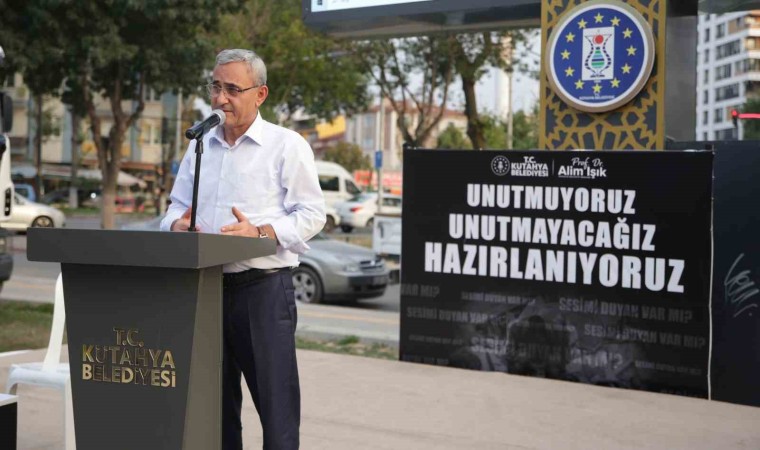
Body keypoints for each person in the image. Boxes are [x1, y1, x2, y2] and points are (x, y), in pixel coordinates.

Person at [161, 48, 326, 449]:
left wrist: (261, 231)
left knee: (276, 411)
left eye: (232, 89)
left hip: (262, 292)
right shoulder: (200, 145)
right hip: (205, 290)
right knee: (214, 411)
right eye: (216, 87)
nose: (220, 98)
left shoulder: (286, 145)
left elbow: (313, 214)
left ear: (261, 94)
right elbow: (175, 207)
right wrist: (177, 225)